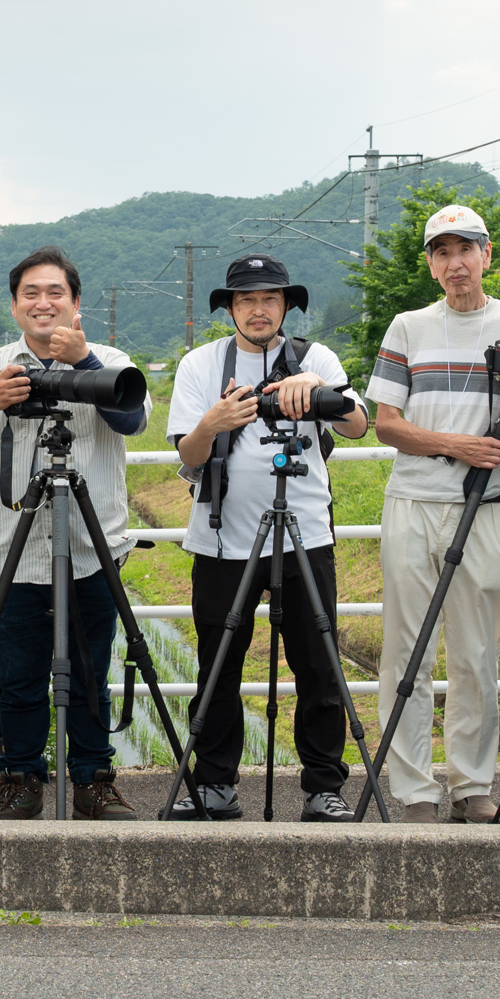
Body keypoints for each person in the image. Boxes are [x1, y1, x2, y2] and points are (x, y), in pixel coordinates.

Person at [0, 245, 150, 820]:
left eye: (55, 291)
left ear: (76, 302)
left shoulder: (109, 357)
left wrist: (86, 364)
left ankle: (93, 778)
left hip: (91, 545)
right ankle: (21, 778)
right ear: (14, 306)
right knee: (17, 674)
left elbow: (132, 420)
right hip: (12, 544)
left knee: (91, 670)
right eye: (30, 293)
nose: (43, 302)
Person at [167, 253, 369, 823]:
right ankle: (213, 785)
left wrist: (317, 388)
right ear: (229, 308)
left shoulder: (316, 357)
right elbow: (186, 454)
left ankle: (323, 786)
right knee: (219, 663)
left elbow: (357, 423)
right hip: (220, 537)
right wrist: (215, 421)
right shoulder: (201, 364)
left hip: (304, 533)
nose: (258, 310)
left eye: (270, 300)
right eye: (246, 300)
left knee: (318, 661)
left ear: (286, 306)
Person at [367, 206, 500, 823]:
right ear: (431, 264)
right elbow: (386, 425)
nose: (455, 263)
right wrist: (455, 445)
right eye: (442, 252)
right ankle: (414, 789)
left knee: (477, 654)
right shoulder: (407, 326)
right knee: (404, 652)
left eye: (465, 249)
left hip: (489, 505)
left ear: (487, 254)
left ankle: (472, 784)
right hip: (414, 502)